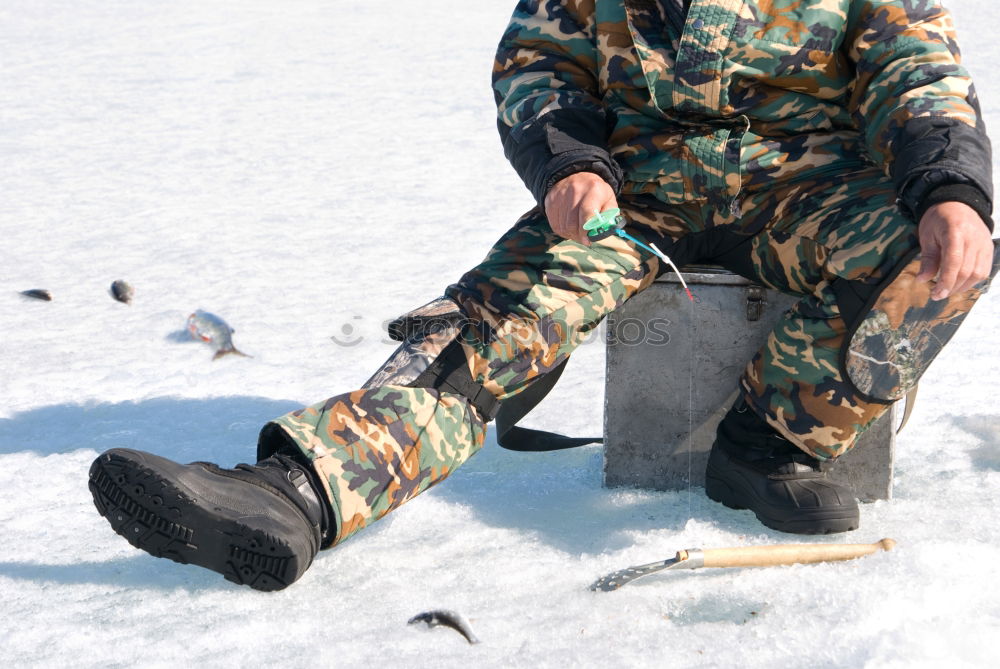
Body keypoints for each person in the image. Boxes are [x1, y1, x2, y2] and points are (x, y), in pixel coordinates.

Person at [89, 0, 996, 590]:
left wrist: (950, 189)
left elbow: (917, 79)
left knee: (935, 256)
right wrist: (569, 165)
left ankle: (769, 448)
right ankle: (298, 492)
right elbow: (539, 67)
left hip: (809, 187)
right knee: (500, 318)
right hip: (636, 191)